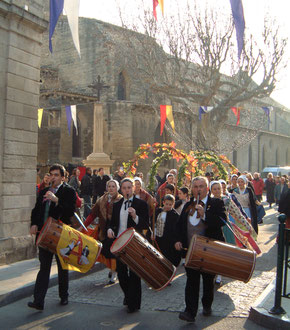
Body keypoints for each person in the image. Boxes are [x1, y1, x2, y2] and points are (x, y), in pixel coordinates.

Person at [175, 176, 226, 322]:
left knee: (208, 281)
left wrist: (205, 215)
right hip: (192, 250)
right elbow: (180, 225)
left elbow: (222, 220)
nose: (198, 189)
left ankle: (207, 304)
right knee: (192, 281)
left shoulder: (216, 203)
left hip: (209, 250)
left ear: (207, 188)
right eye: (196, 186)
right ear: (192, 189)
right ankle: (190, 312)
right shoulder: (187, 205)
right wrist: (178, 240)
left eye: (201, 186)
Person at [28, 164, 76, 311]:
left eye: (56, 175)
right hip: (44, 234)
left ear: (62, 177)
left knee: (62, 267)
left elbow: (70, 211)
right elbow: (36, 210)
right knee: (44, 268)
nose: (53, 177)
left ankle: (64, 295)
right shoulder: (44, 191)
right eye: (51, 174)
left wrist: (56, 200)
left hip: (61, 234)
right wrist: (34, 224)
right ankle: (38, 301)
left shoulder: (69, 191)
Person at [107, 178, 149, 313]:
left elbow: (145, 224)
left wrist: (136, 216)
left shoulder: (141, 204)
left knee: (135, 274)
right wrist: (110, 229)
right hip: (120, 242)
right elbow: (112, 222)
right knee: (122, 274)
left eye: (129, 188)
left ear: (133, 188)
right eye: (124, 188)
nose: (127, 190)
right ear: (121, 190)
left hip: (134, 243)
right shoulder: (117, 204)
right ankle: (128, 296)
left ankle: (134, 303)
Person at [83, 179, 122, 284]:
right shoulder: (101, 200)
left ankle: (114, 272)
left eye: (113, 186)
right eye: (109, 186)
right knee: (105, 252)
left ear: (117, 188)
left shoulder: (121, 200)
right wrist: (83, 226)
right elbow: (92, 214)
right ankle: (112, 269)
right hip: (103, 231)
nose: (111, 188)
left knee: (114, 253)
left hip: (116, 231)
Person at [154, 194, 181, 267]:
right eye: (166, 204)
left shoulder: (175, 215)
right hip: (158, 237)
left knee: (167, 257)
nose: (168, 206)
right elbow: (154, 223)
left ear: (173, 204)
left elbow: (177, 229)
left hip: (168, 240)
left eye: (170, 204)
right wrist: (153, 232)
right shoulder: (158, 211)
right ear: (163, 203)